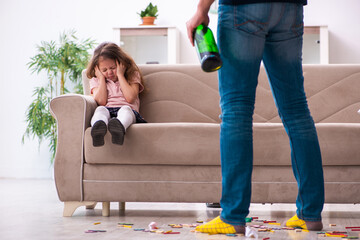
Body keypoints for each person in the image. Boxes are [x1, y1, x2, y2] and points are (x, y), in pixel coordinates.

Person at [187, 0, 324, 234]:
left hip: (243, 8)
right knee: (296, 108)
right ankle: (310, 213)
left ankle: (233, 216)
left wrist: (201, 8)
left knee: (236, 109)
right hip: (289, 9)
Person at [86, 42, 146, 147]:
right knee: (100, 110)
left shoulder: (132, 75)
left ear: (121, 64)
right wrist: (101, 79)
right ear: (97, 70)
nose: (109, 72)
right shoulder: (96, 80)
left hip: (128, 111)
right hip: (108, 111)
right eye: (104, 70)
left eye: (113, 68)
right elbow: (101, 101)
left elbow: (130, 98)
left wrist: (120, 75)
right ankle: (98, 128)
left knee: (125, 110)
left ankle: (119, 128)